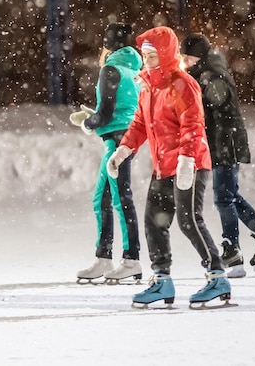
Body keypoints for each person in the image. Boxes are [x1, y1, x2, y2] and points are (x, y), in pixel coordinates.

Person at [107, 26, 233, 308]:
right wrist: (123, 150)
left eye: (151, 56)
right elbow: (140, 124)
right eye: (144, 55)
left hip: (189, 163)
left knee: (189, 220)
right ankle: (162, 280)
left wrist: (187, 161)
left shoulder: (181, 83)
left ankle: (217, 276)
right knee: (154, 221)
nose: (146, 60)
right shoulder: (149, 87)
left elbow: (193, 123)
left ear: (164, 55)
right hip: (164, 165)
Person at [181, 34, 255, 278]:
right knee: (229, 195)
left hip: (225, 143)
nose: (185, 61)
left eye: (187, 57)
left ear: (199, 55)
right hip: (221, 143)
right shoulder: (206, 73)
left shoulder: (212, 75)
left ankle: (237, 247)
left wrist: (221, 148)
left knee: (224, 198)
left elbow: (220, 108)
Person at [70, 23, 142, 284]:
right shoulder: (134, 72)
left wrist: (87, 123)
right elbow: (123, 109)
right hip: (126, 136)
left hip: (115, 140)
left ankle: (130, 259)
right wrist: (95, 117)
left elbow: (107, 114)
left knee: (116, 198)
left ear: (108, 46)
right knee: (108, 197)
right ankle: (105, 258)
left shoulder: (110, 69)